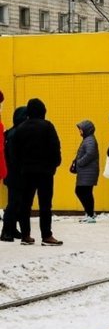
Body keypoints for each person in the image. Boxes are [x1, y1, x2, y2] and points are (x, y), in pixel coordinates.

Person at [13, 98, 63, 246]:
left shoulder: (20, 129)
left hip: (26, 172)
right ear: (43, 111)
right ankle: (46, 235)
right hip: (45, 172)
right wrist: (54, 165)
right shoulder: (47, 127)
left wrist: (20, 168)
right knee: (45, 204)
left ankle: (25, 235)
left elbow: (14, 152)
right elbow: (55, 148)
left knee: (25, 204)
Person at [1, 105, 27, 242]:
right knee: (13, 203)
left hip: (12, 174)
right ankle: (6, 231)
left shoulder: (11, 132)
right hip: (15, 174)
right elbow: (13, 156)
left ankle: (12, 228)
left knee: (17, 203)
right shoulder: (15, 133)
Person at [74, 120, 99, 223]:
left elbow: (90, 154)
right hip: (86, 172)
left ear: (86, 130)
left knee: (82, 191)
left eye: (80, 129)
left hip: (88, 172)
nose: (80, 131)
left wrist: (79, 162)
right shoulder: (88, 139)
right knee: (86, 192)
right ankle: (89, 213)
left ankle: (90, 214)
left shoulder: (89, 140)